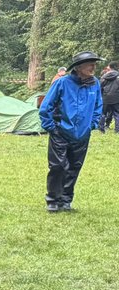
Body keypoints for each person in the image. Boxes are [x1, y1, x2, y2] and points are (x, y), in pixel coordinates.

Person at [40, 51, 103, 212]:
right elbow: (46, 107)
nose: (93, 67)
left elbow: (98, 106)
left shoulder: (95, 83)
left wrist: (93, 124)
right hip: (60, 132)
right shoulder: (62, 83)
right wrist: (51, 128)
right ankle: (53, 200)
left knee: (75, 167)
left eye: (94, 64)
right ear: (79, 67)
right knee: (58, 166)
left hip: (82, 134)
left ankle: (66, 200)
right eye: (90, 64)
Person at [99, 63, 119, 133]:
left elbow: (100, 86)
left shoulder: (104, 76)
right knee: (117, 114)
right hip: (116, 98)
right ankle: (117, 130)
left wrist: (101, 95)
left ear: (110, 68)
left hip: (105, 97)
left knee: (103, 114)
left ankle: (101, 129)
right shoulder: (118, 76)